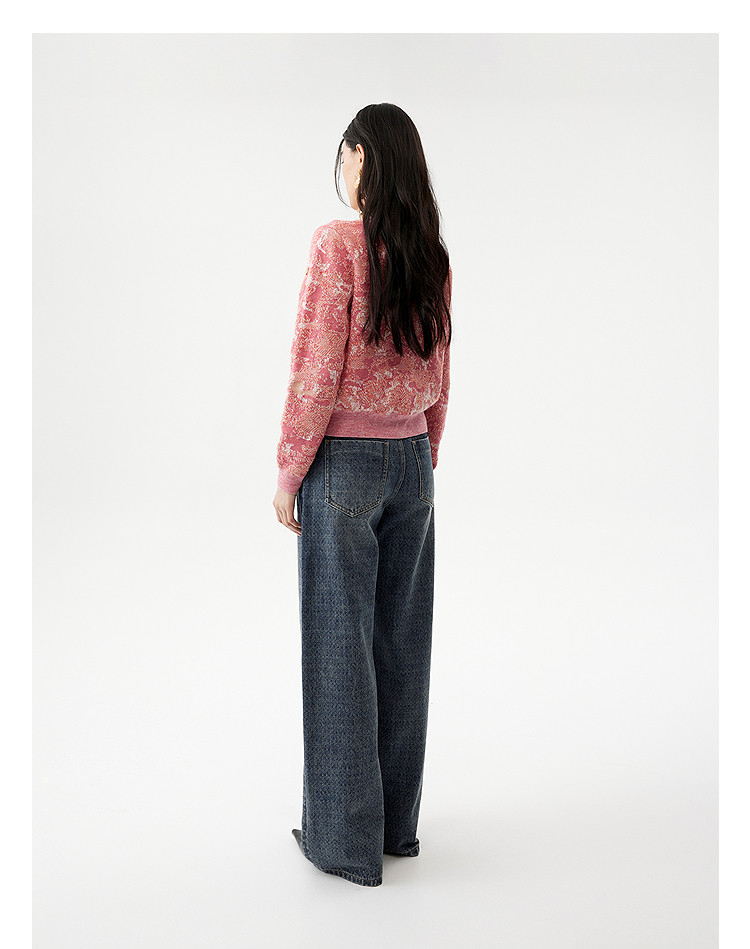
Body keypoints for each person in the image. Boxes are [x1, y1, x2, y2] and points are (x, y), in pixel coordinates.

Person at [272, 103, 453, 887]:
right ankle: (394, 828)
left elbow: (316, 368)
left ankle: (344, 842)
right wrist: (425, 454)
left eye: (345, 155)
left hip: (343, 462)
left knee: (339, 645)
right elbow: (441, 369)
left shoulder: (337, 245)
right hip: (412, 459)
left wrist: (290, 470)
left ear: (359, 157)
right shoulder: (430, 256)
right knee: (403, 646)